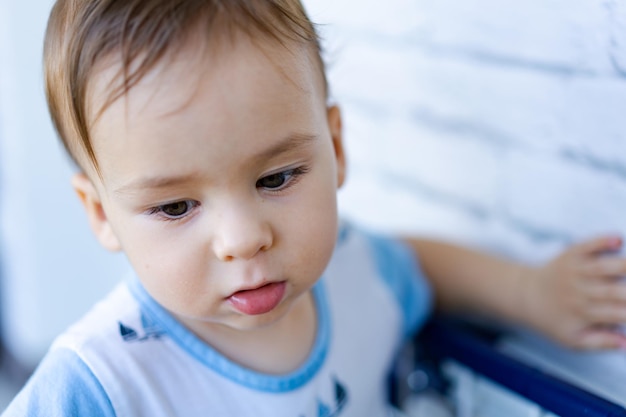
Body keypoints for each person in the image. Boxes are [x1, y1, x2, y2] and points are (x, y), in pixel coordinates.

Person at [4, 0, 626, 415]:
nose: (243, 239)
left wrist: (529, 292)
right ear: (101, 214)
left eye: (276, 177)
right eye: (174, 208)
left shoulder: (356, 274)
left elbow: (413, 266)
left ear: (335, 146)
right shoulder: (100, 386)